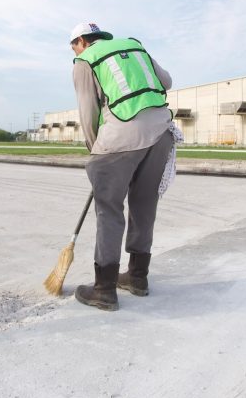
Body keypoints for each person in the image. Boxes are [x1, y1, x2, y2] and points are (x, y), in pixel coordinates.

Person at [69, 22, 176, 311]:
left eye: (73, 47)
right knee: (144, 203)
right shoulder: (134, 45)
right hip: (161, 132)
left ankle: (104, 288)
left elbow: (88, 109)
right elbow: (166, 82)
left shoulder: (84, 60)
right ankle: (137, 277)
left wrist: (94, 150)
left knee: (109, 210)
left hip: (120, 137)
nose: (73, 52)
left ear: (80, 41)